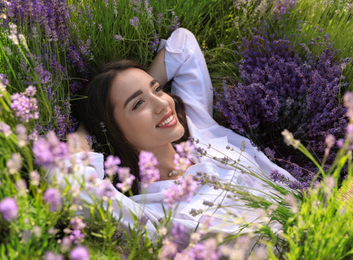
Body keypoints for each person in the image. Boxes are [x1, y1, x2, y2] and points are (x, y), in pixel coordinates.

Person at [47, 28, 297, 252]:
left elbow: (183, 44)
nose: (163, 104)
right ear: (115, 130)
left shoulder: (199, 128)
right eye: (138, 104)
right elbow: (70, 187)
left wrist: (139, 84)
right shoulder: (149, 211)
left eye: (157, 89)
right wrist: (87, 129)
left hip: (319, 219)